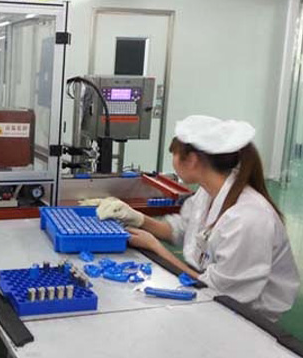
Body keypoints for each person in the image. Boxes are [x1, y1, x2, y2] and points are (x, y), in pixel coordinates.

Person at [83, 115, 300, 322]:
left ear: (192, 160)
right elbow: (181, 230)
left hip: (249, 320)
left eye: (174, 154)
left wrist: (156, 248)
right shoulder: (207, 193)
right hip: (211, 297)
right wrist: (137, 218)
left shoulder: (248, 218)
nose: (173, 161)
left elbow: (221, 292)